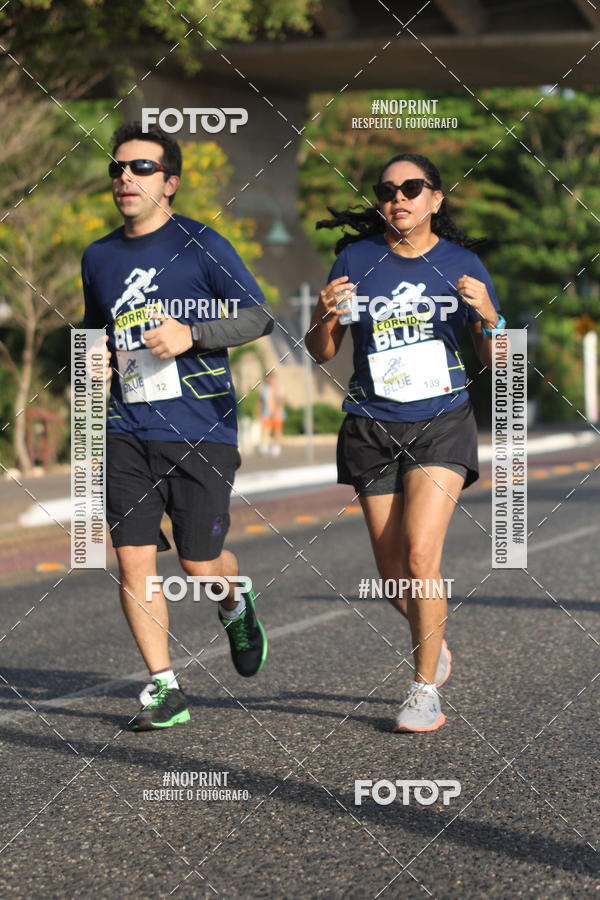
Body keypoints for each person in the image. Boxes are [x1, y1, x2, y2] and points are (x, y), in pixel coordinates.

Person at [82, 122, 273, 730]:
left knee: (198, 563)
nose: (125, 178)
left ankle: (234, 598)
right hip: (125, 426)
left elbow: (259, 316)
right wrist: (90, 354)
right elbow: (92, 330)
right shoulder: (100, 255)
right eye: (117, 168)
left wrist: (192, 334)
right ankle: (165, 688)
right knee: (133, 560)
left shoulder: (203, 245)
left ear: (171, 182)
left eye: (140, 168)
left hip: (200, 427)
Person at [305, 153, 504, 733]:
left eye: (412, 188)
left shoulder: (463, 265)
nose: (399, 198)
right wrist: (323, 317)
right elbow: (323, 352)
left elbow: (499, 361)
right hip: (370, 424)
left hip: (441, 421)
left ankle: (423, 690)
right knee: (394, 574)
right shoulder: (356, 260)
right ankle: (432, 641)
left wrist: (489, 315)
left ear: (435, 199)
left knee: (421, 556)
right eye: (387, 189)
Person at [259, 371, 286, 456]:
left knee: (277, 431)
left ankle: (276, 446)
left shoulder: (279, 389)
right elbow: (261, 401)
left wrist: (276, 411)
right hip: (267, 413)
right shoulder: (265, 389)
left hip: (277, 414)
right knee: (266, 430)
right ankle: (265, 445)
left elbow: (281, 401)